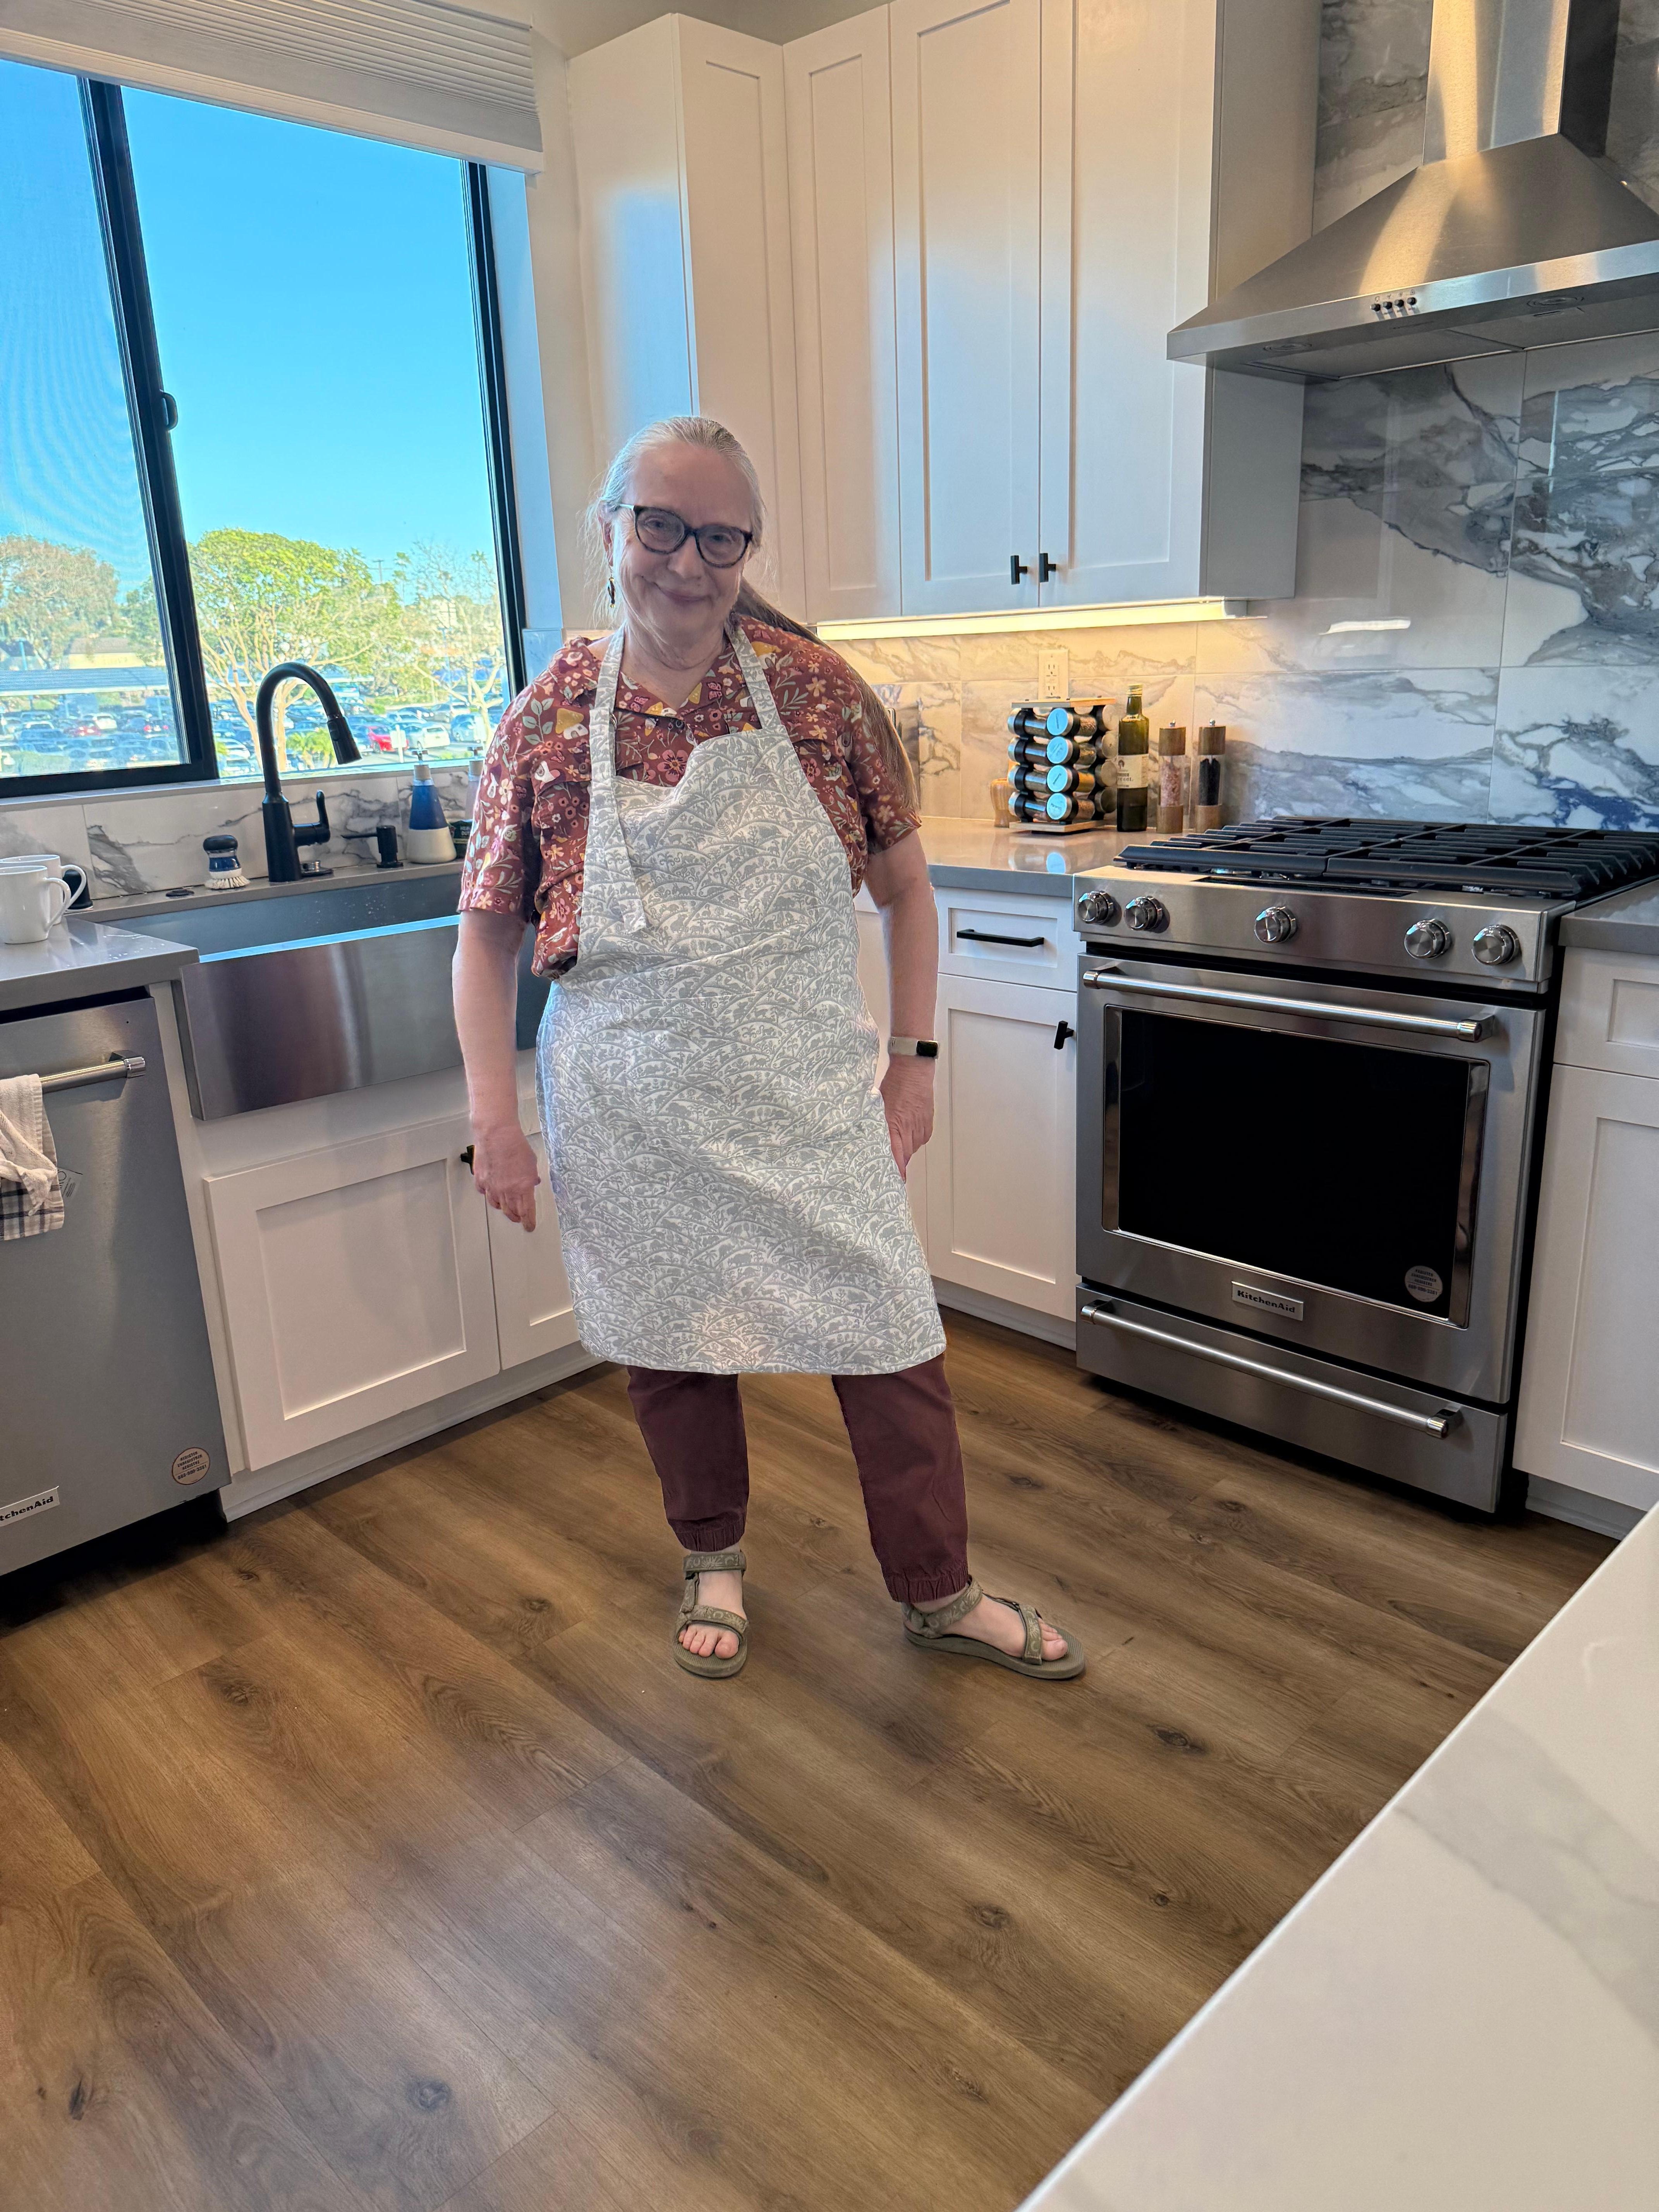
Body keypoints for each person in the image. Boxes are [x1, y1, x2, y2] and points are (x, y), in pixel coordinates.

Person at [453, 416, 1081, 1684]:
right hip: (628, 1093)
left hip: (801, 1084)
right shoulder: (543, 720)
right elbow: (481, 943)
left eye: (719, 534)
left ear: (748, 545)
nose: (687, 562)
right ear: (612, 528)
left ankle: (937, 1589)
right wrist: (497, 1119)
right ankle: (712, 1557)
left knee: (891, 1335)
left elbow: (909, 893)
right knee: (674, 1350)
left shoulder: (815, 691)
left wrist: (912, 1058)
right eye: (661, 526)